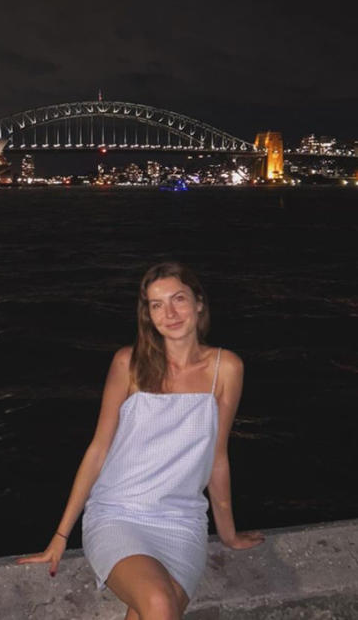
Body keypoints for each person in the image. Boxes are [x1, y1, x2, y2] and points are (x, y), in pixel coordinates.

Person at [18, 262, 263, 620]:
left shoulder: (226, 369)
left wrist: (227, 534)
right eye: (156, 304)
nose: (170, 313)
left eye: (178, 299)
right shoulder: (129, 364)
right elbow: (98, 449)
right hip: (118, 513)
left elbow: (217, 456)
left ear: (198, 302)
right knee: (161, 606)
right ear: (147, 314)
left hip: (182, 522)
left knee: (149, 611)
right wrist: (60, 535)